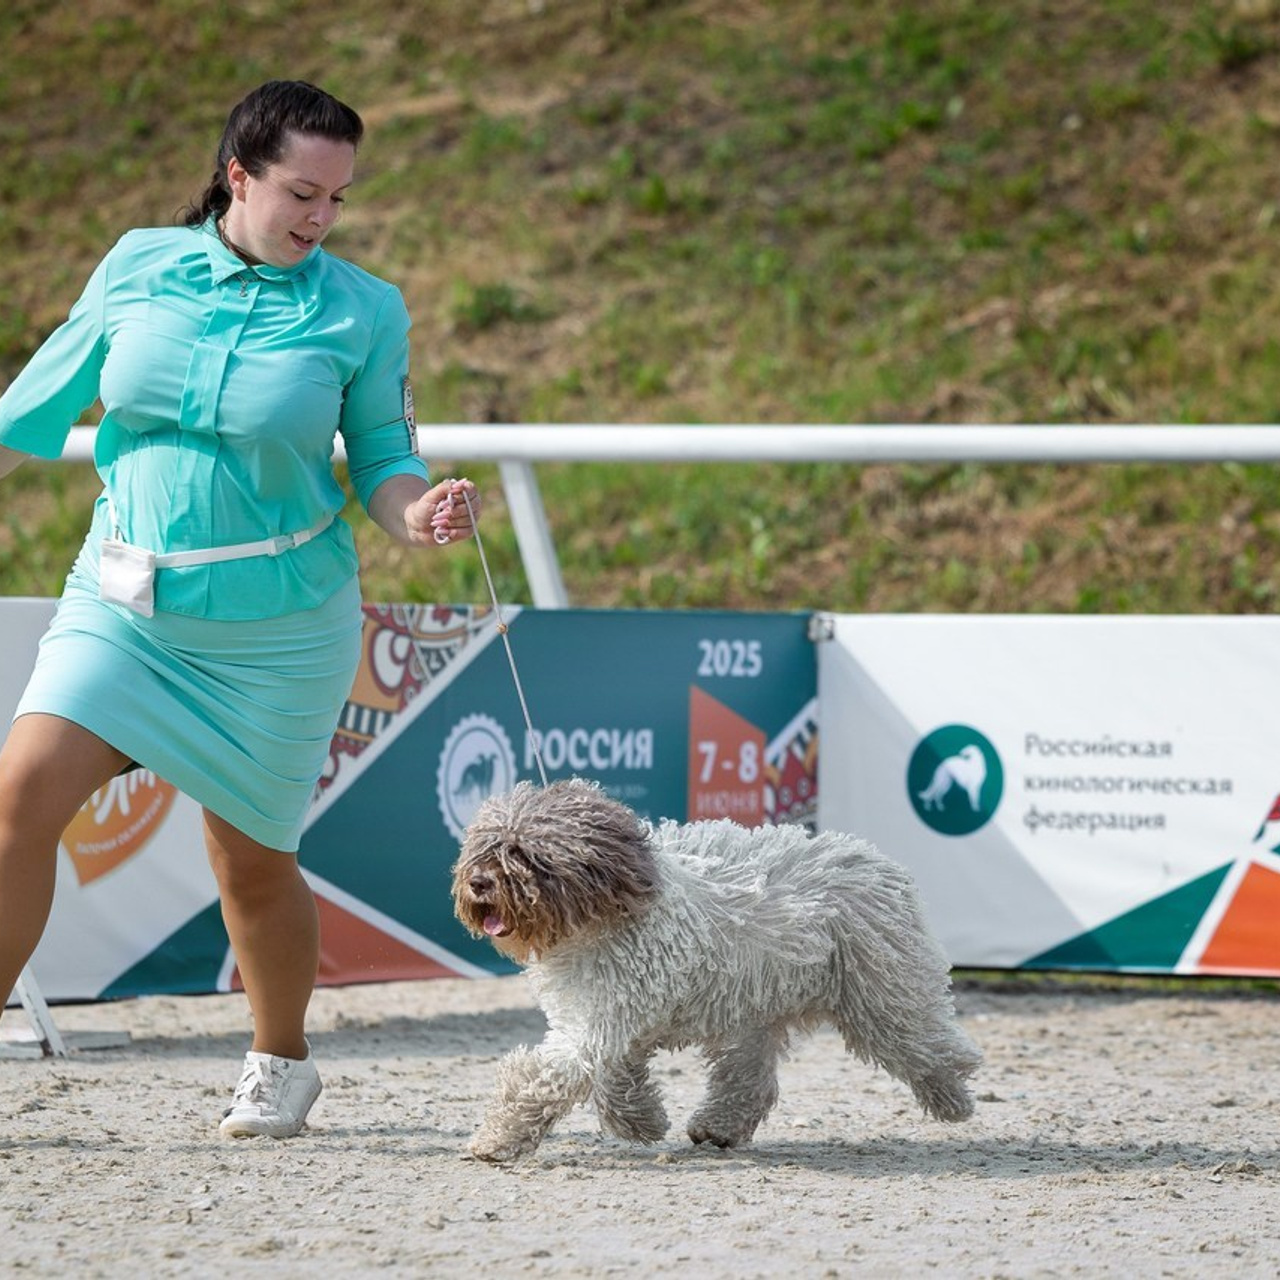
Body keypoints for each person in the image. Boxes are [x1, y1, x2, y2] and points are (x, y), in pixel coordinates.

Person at [0, 80, 480, 1138]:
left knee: (249, 859)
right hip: (123, 603)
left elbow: (387, 464)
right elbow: (32, 397)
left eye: (337, 199)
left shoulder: (366, 309)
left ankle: (280, 1058)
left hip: (279, 630)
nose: (319, 217)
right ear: (237, 175)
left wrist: (422, 514)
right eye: (300, 191)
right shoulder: (138, 264)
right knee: (18, 799)